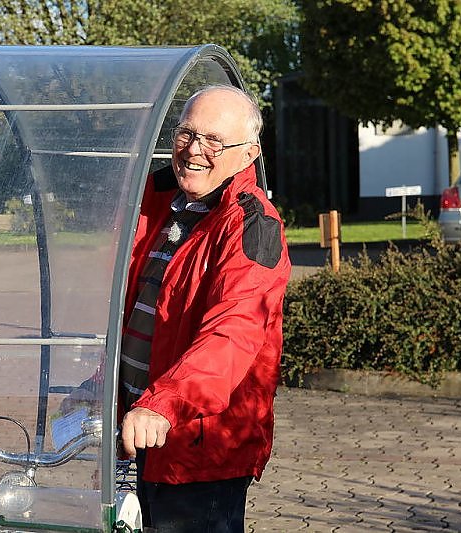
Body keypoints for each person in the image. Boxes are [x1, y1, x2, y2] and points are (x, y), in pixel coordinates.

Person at [115, 84, 291, 532]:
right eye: (186, 133)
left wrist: (164, 405)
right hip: (139, 429)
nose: (195, 150)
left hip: (197, 448)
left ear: (249, 153)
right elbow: (128, 303)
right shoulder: (158, 201)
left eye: (214, 139)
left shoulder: (253, 227)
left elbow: (232, 333)